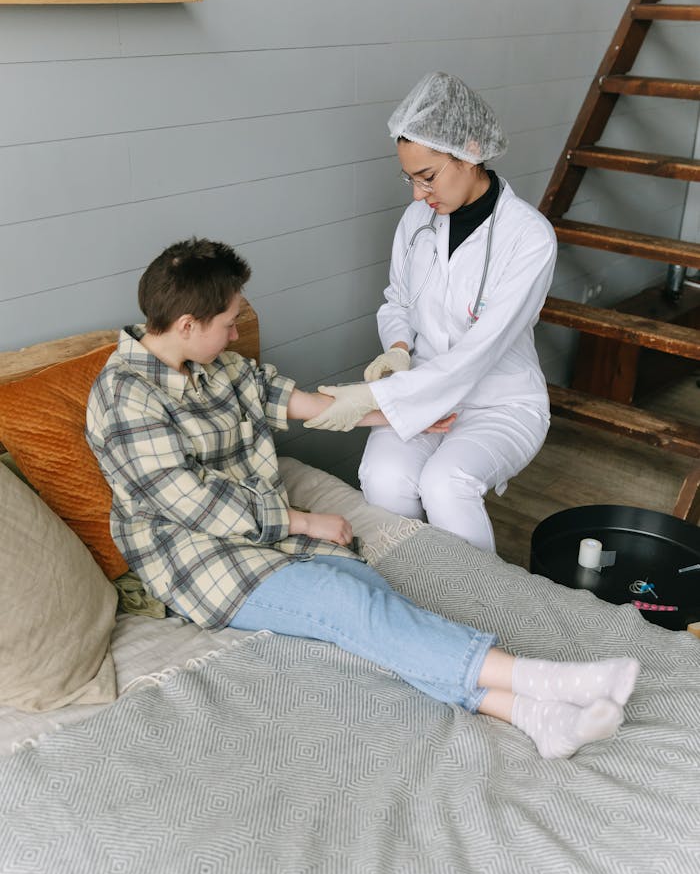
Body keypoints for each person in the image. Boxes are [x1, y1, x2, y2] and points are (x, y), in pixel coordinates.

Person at [86, 237, 639, 760]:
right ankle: (545, 679)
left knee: (376, 599)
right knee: (347, 605)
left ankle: (530, 716)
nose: (236, 336)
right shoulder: (125, 397)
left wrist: (404, 417)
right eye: (229, 324)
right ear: (188, 324)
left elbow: (304, 403)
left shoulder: (217, 366)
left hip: (264, 538)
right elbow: (193, 504)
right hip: (199, 558)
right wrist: (305, 522)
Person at [305, 71, 557, 554]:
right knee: (382, 478)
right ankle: (416, 591)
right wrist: (398, 349)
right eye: (411, 179)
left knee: (446, 484)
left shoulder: (529, 238)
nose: (418, 195)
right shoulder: (417, 220)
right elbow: (397, 300)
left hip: (499, 401)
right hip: (419, 387)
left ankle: (484, 608)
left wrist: (376, 396)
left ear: (471, 150)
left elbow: (478, 355)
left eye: (428, 177)